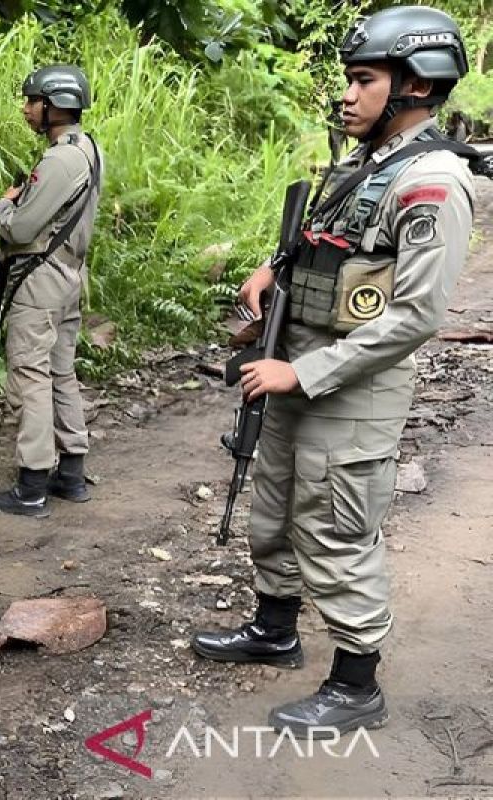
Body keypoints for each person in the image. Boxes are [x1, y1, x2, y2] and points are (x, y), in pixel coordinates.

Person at [192, 5, 478, 736]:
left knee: (336, 529)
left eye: (362, 80)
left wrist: (305, 373)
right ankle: (275, 629)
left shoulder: (434, 181)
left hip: (350, 390)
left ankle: (356, 684)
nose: (346, 95)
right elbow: (328, 245)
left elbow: (412, 318)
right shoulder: (365, 164)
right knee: (278, 506)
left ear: (415, 84)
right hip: (296, 364)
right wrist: (269, 270)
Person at [0, 64, 104, 518]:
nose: (27, 108)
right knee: (60, 370)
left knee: (31, 374)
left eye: (33, 101)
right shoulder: (86, 148)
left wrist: (3, 206)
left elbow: (23, 226)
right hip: (69, 276)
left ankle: (31, 484)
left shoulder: (58, 160)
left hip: (41, 279)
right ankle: (70, 471)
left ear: (53, 106)